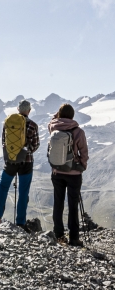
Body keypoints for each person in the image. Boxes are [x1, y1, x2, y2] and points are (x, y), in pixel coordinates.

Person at [0, 99, 39, 230]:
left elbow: (4, 141)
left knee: (3, 187)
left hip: (10, 161)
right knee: (23, 192)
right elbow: (35, 145)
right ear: (29, 111)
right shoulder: (33, 125)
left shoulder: (8, 122)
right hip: (26, 162)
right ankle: (21, 222)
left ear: (18, 110)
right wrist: (25, 151)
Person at [48, 103, 88, 247]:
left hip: (57, 171)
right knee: (73, 205)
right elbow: (83, 152)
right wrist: (82, 165)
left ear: (59, 114)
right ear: (72, 116)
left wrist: (57, 116)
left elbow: (52, 120)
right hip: (74, 173)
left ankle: (58, 235)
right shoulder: (78, 131)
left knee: (58, 203)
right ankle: (74, 238)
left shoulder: (53, 127)